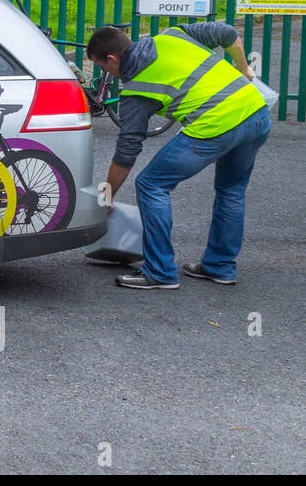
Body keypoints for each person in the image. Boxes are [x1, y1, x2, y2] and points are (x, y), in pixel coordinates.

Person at [85, 22, 270, 289]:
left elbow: (127, 151)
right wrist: (243, 67)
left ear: (112, 59)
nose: (107, 75)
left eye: (104, 68)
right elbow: (229, 33)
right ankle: (220, 267)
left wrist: (108, 195)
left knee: (151, 184)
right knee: (231, 191)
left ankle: (160, 272)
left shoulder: (137, 90)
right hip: (256, 111)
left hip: (217, 124)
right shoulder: (173, 35)